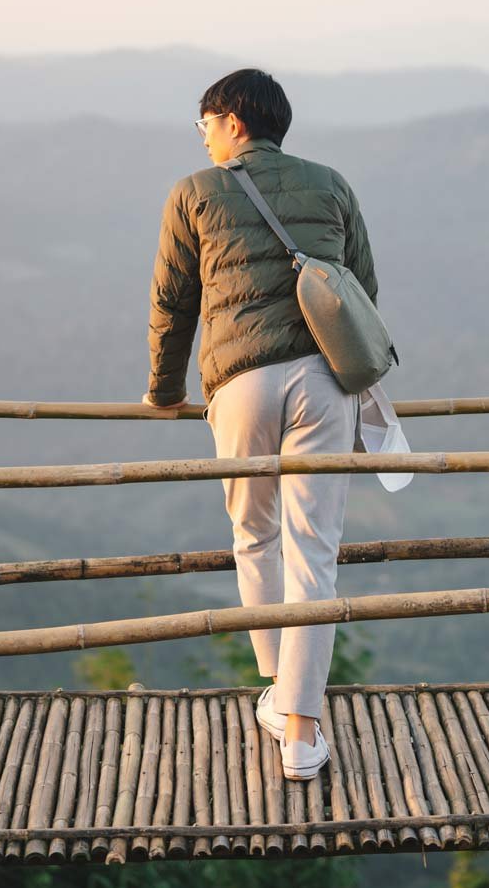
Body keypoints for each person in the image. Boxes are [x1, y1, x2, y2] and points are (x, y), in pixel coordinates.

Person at [142, 68, 379, 780]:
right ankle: (302, 732)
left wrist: (163, 393)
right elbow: (360, 291)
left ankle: (275, 690)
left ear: (234, 121)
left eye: (206, 122)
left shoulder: (194, 192)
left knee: (255, 537)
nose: (205, 135)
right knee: (315, 552)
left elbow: (173, 303)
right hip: (323, 383)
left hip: (238, 385)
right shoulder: (331, 183)